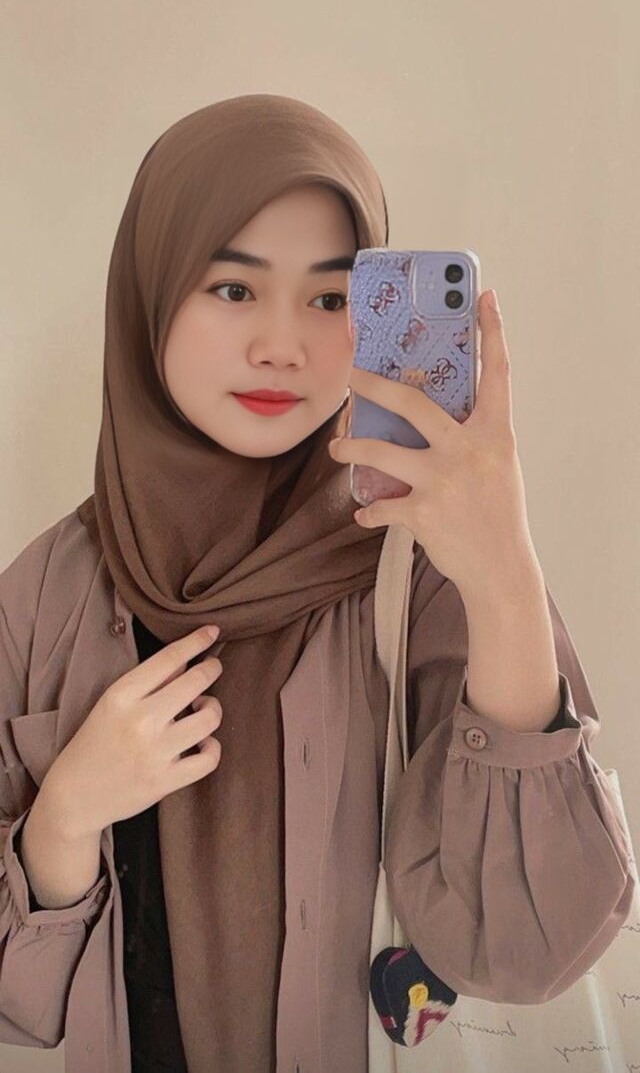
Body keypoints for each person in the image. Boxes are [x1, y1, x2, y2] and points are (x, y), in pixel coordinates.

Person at [0, 94, 635, 1073]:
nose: (282, 345)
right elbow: (18, 1008)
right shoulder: (48, 594)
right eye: (233, 288)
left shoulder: (420, 561)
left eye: (333, 299)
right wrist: (66, 815)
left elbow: (532, 946)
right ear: (149, 295)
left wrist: (505, 574)